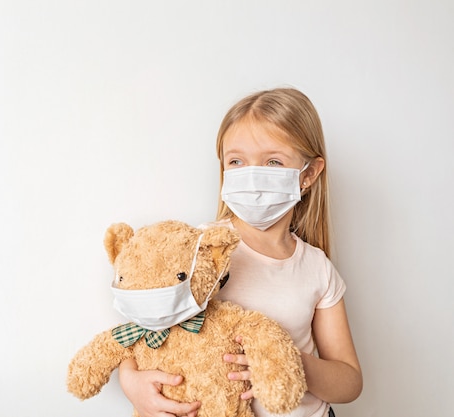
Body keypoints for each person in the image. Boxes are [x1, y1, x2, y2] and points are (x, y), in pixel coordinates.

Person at [117, 87, 362, 417]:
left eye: (273, 161)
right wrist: (131, 382)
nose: (252, 175)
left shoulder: (317, 267)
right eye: (236, 161)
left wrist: (289, 363)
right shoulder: (198, 249)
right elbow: (141, 330)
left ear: (308, 174)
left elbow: (349, 381)